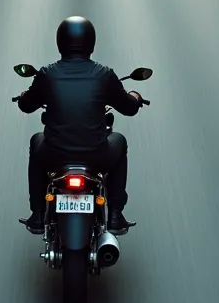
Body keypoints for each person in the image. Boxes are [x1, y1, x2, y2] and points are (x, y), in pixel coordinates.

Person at [17, 16, 143, 234]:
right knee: (120, 141)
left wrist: (25, 95)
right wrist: (135, 96)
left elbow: (26, 106)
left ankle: (37, 215)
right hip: (97, 155)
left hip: (54, 155)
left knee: (35, 141)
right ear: (91, 43)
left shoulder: (47, 74)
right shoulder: (104, 75)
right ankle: (115, 214)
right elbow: (129, 108)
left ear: (60, 43)